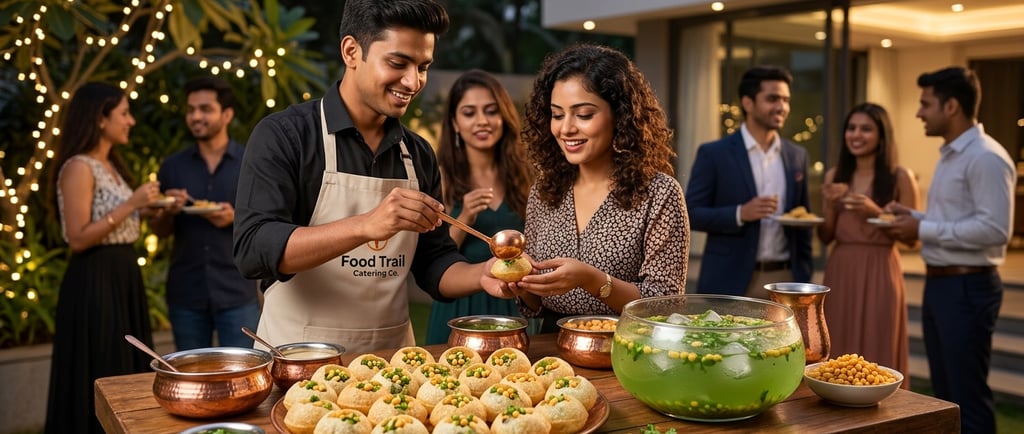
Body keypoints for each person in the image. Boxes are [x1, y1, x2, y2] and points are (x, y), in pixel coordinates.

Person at [233, 0, 500, 353]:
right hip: (298, 362)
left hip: (392, 368)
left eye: (423, 66)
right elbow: (253, 248)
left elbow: (434, 261)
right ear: (351, 51)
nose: (413, 81)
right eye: (398, 62)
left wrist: (483, 274)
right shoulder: (286, 135)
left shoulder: (417, 153)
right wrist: (364, 226)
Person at [487, 43, 689, 333]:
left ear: (620, 116)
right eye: (557, 115)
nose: (566, 128)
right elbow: (536, 306)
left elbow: (666, 306)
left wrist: (592, 280)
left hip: (625, 349)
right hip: (551, 351)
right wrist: (521, 284)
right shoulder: (545, 190)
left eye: (583, 115)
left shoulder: (659, 193)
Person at [885, 66, 1015, 434]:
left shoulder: (987, 157)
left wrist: (921, 228)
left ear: (952, 106)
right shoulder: (952, 154)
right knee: (946, 396)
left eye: (925, 104)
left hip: (968, 287)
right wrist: (912, 216)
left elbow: (993, 230)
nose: (918, 113)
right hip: (943, 284)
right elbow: (957, 219)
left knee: (966, 396)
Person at [44, 82, 161, 434]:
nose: (131, 121)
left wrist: (153, 209)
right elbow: (78, 237)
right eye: (124, 113)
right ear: (100, 118)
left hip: (123, 275)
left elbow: (116, 223)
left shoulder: (110, 165)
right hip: (95, 279)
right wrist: (132, 204)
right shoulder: (78, 167)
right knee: (103, 363)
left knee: (127, 364)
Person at [150, 76, 261, 350]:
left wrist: (234, 218)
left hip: (236, 291)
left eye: (205, 109)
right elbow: (159, 231)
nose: (196, 116)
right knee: (191, 380)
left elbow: (268, 223)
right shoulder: (173, 167)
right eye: (191, 109)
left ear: (227, 114)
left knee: (242, 376)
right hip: (186, 293)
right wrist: (167, 212)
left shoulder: (250, 162)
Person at [424, 70, 534, 344]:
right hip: (460, 304)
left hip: (512, 301)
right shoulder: (443, 177)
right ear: (455, 123)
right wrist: (465, 216)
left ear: (504, 117)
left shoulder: (527, 176)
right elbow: (437, 257)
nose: (482, 121)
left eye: (491, 111)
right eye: (469, 113)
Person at [685, 65, 813, 299]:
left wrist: (803, 274)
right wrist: (740, 213)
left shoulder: (797, 156)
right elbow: (691, 213)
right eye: (772, 98)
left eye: (785, 100)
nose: (781, 107)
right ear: (748, 103)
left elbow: (803, 219)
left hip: (785, 278)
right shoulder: (714, 154)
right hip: (730, 280)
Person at [818, 102, 919, 387]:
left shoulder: (900, 177)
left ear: (882, 135)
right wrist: (829, 204)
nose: (856, 135)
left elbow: (912, 238)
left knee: (879, 338)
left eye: (866, 129)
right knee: (838, 339)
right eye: (851, 128)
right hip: (842, 268)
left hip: (881, 268)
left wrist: (875, 212)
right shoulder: (834, 176)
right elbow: (826, 236)